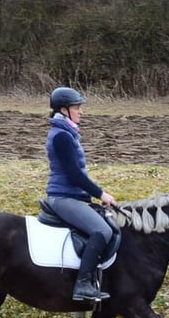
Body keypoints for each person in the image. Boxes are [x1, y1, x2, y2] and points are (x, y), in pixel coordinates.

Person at [45, 86, 116, 301]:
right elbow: (75, 174)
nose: (81, 111)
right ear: (64, 110)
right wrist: (101, 194)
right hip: (63, 197)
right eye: (77, 107)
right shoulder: (62, 137)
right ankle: (82, 285)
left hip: (72, 196)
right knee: (102, 231)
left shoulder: (67, 132)